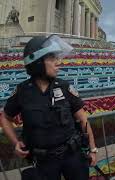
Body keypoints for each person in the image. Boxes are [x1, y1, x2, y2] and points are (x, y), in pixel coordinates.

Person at [0, 35, 97, 180]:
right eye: (52, 58)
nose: (58, 63)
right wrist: (15, 142)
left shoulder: (64, 87)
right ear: (37, 63)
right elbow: (5, 118)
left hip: (73, 156)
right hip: (43, 162)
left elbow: (83, 120)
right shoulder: (22, 91)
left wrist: (93, 149)